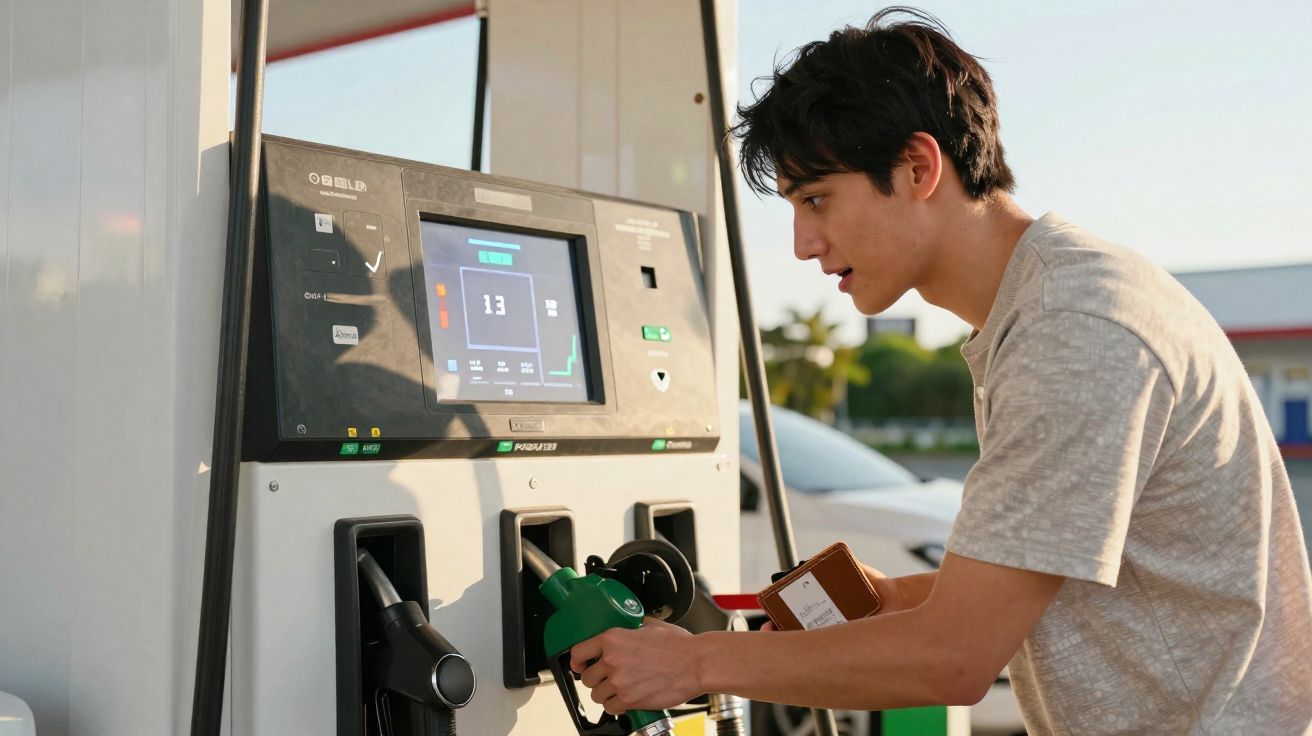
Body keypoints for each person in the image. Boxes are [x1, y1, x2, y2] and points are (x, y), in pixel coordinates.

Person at [569, 8, 1312, 734]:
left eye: (817, 199)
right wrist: (894, 598)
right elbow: (1055, 581)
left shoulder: (1072, 330)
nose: (802, 243)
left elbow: (952, 659)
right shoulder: (1051, 303)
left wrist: (697, 666)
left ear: (920, 167)